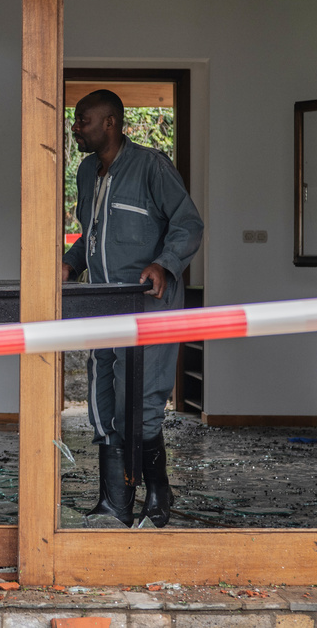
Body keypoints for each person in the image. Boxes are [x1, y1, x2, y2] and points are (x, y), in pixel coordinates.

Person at [62, 89, 204, 528]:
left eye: (83, 120)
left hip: (148, 308)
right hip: (102, 306)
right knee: (102, 402)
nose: (75, 128)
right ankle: (115, 502)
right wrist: (70, 264)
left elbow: (188, 224)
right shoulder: (87, 171)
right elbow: (91, 233)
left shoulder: (151, 166)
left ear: (110, 123)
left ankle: (158, 493)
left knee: (138, 402)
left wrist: (165, 263)